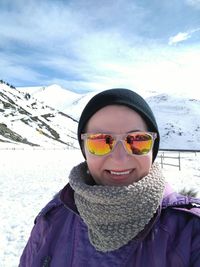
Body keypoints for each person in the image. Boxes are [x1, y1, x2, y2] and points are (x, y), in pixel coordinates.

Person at [19, 88, 200, 267]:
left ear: (152, 148)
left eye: (137, 140)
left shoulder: (190, 231)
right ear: (84, 149)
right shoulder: (52, 219)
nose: (119, 159)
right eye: (100, 141)